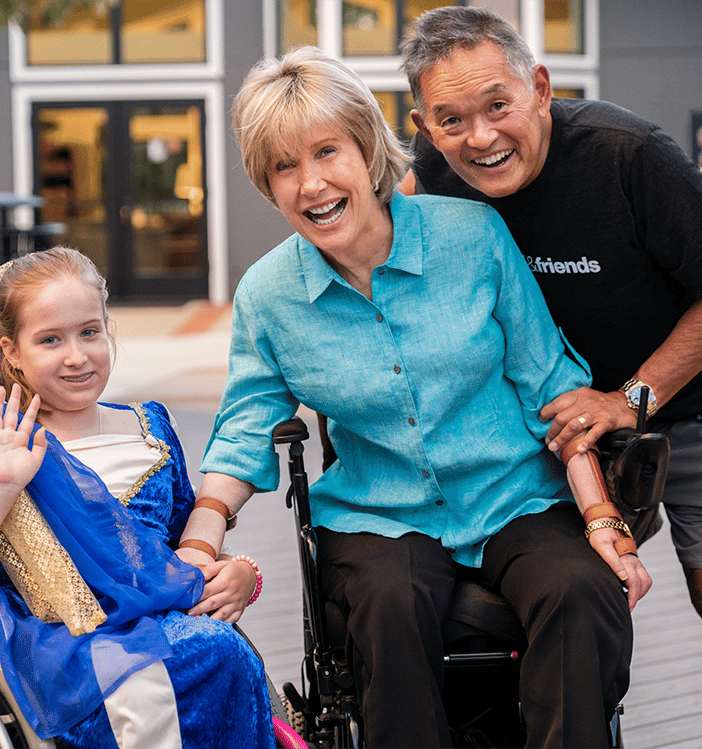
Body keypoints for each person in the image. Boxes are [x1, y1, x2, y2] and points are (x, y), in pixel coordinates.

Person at [184, 45, 651, 749]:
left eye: (326, 153)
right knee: (388, 606)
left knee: (580, 593)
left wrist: (601, 516)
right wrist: (201, 537)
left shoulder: (472, 236)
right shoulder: (270, 295)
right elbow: (249, 422)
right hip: (378, 511)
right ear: (266, 182)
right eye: (284, 166)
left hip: (513, 493)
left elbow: (548, 384)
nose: (311, 184)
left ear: (367, 149)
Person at [400, 7, 702, 748]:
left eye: (498, 106)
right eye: (452, 120)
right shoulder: (436, 170)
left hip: (696, 400)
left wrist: (631, 397)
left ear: (539, 88)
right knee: (571, 590)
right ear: (425, 122)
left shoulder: (627, 154)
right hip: (561, 422)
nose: (480, 137)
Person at [0, 247, 274, 748]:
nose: (76, 356)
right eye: (50, 340)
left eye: (89, 332)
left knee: (220, 651)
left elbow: (172, 560)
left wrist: (241, 573)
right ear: (12, 352)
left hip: (164, 623)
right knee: (212, 654)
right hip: (63, 649)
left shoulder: (150, 429)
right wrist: (1, 485)